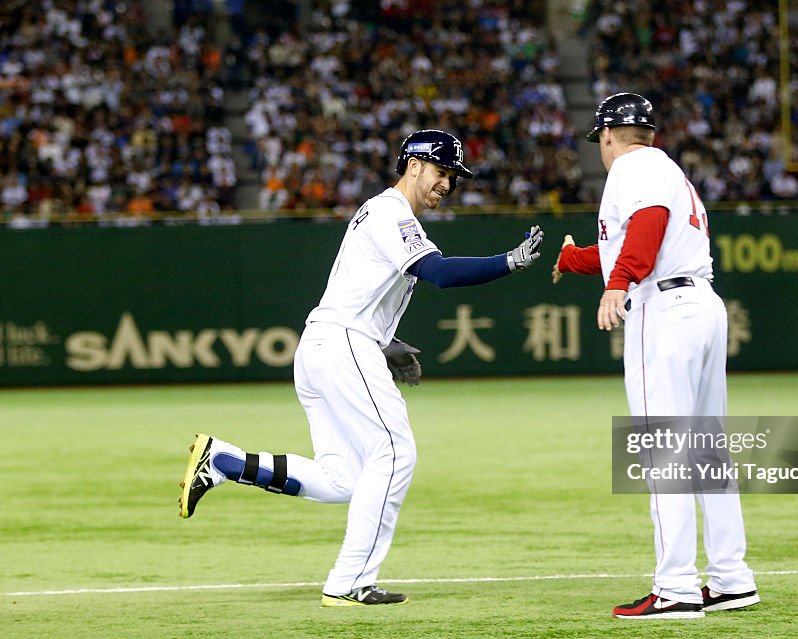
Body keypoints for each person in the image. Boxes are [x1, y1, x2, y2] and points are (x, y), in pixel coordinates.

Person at [179, 129, 544, 607]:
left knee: (341, 480)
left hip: (325, 345)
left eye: (453, 177)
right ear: (413, 166)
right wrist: (508, 262)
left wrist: (387, 345)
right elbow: (439, 273)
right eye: (442, 171)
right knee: (394, 453)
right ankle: (350, 581)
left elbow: (364, 291)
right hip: (343, 344)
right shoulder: (392, 212)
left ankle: (224, 461)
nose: (448, 184)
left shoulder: (384, 214)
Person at [552, 93, 758, 619]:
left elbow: (645, 228)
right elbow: (638, 238)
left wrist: (616, 284)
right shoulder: (666, 169)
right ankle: (732, 579)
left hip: (664, 309)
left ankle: (677, 587)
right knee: (707, 449)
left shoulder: (632, 167)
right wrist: (575, 260)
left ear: (607, 135)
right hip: (701, 305)